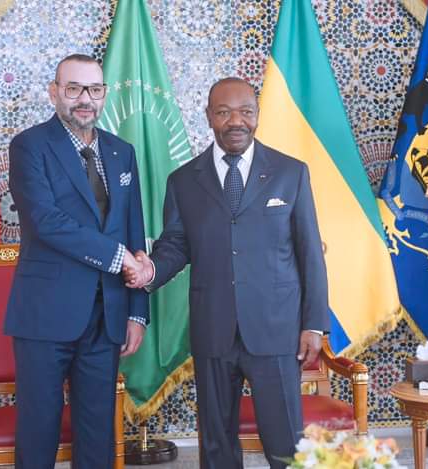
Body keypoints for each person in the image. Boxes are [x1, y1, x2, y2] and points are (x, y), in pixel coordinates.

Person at [125, 77, 329, 469]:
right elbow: (175, 245)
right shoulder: (183, 181)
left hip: (276, 330)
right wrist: (150, 269)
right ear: (208, 117)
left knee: (286, 445)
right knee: (217, 446)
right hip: (213, 329)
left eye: (245, 112)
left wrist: (314, 324)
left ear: (257, 115)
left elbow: (310, 255)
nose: (236, 121)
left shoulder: (291, 173)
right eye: (223, 112)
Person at [5, 54, 150, 469]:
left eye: (94, 89)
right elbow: (46, 221)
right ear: (54, 93)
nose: (85, 99)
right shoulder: (29, 146)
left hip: (107, 315)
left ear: (104, 94)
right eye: (73, 89)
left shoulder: (122, 152)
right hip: (45, 315)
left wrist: (137, 312)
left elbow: (134, 232)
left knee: (97, 432)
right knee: (39, 430)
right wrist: (118, 257)